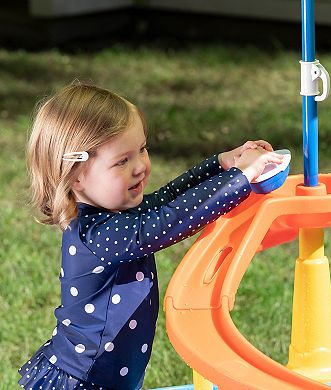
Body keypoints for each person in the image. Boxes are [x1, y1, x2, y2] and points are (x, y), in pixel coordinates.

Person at [18, 81, 284, 390]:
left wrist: (221, 165)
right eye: (122, 160)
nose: (140, 167)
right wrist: (241, 178)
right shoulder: (100, 234)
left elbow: (167, 199)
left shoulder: (116, 215)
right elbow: (169, 221)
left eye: (141, 149)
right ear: (76, 175)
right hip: (85, 383)